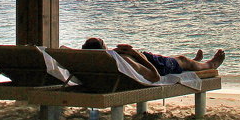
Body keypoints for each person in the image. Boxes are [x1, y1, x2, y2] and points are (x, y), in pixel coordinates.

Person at [81, 37, 224, 81]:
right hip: (156, 66)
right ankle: (209, 65)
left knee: (177, 60)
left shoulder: (89, 62)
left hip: (148, 59)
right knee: (182, 60)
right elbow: (154, 77)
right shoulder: (124, 61)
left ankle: (194, 62)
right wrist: (136, 54)